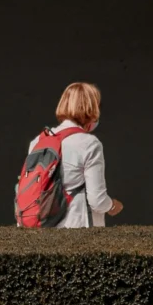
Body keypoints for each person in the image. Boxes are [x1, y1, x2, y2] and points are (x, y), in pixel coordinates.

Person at [48, 81, 122, 227]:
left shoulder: (40, 141)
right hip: (76, 227)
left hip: (42, 227)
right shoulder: (89, 144)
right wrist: (112, 206)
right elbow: (97, 200)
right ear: (91, 108)